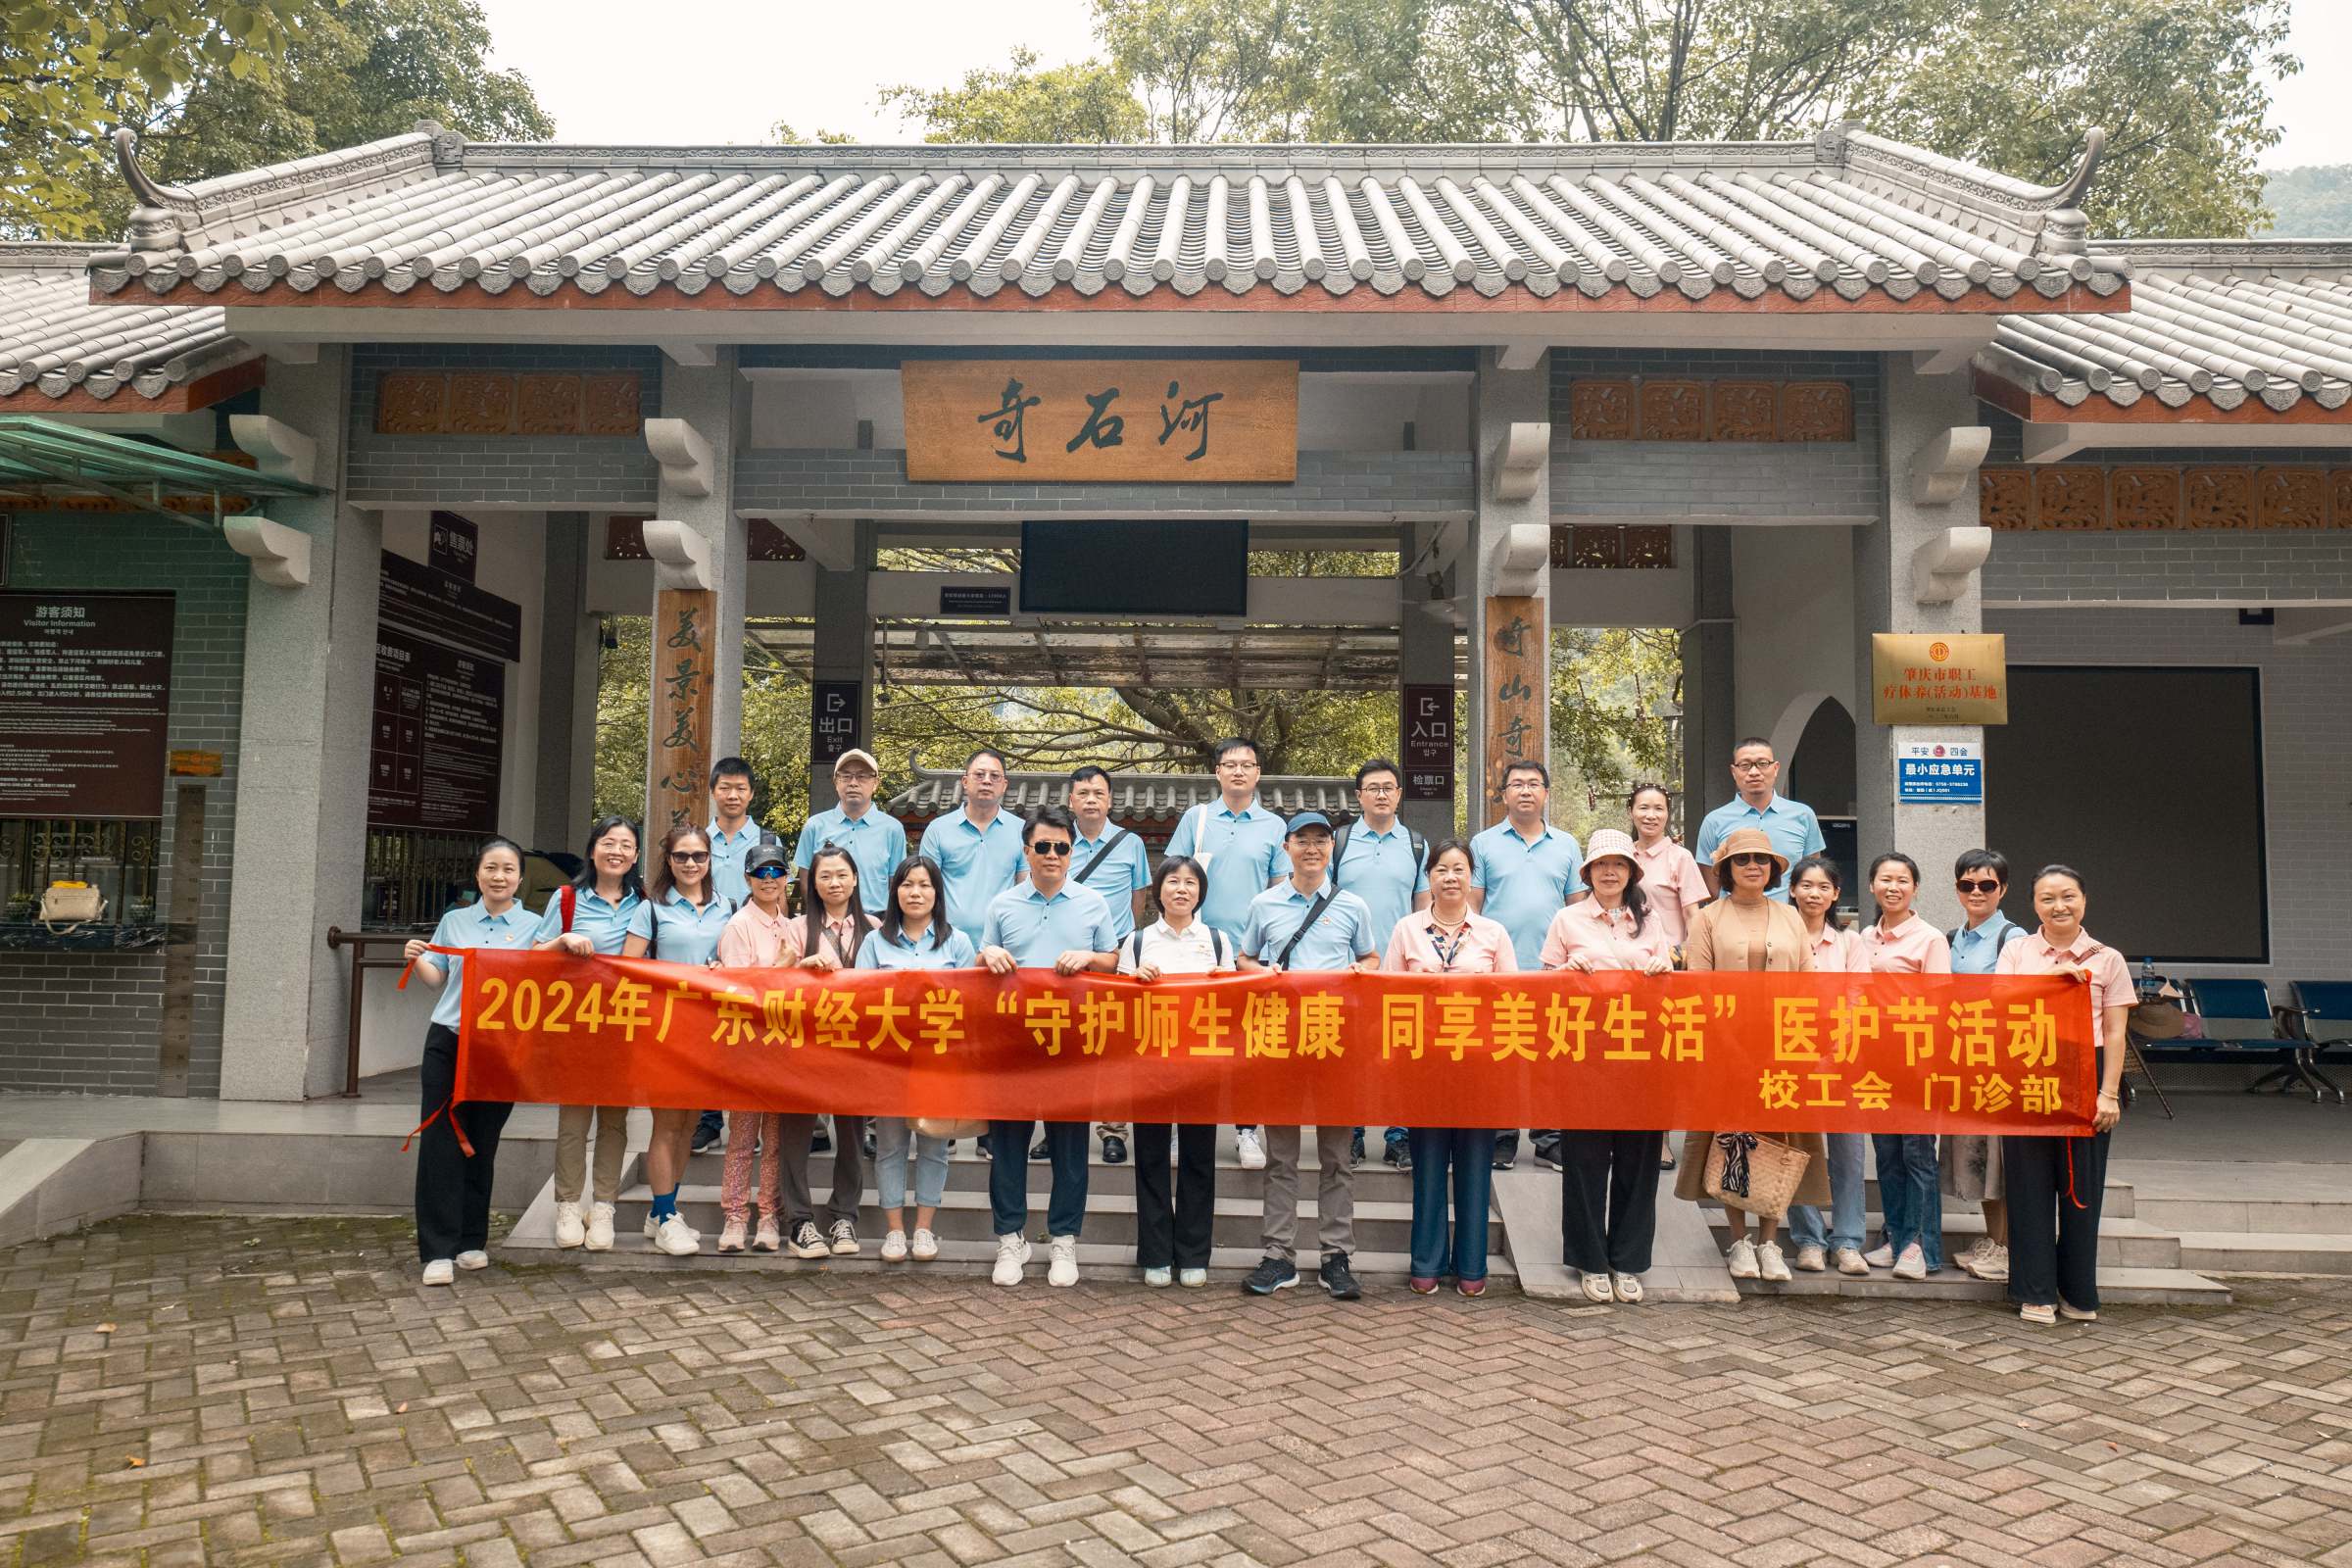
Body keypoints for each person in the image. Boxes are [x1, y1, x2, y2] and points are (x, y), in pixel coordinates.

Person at [1675, 827, 1830, 1283]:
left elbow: (1808, 985)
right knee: (1733, 1139)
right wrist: (1729, 1045)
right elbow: (1700, 987)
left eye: (1761, 859)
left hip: (1782, 1048)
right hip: (1727, 1051)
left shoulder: (1790, 916)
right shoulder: (1708, 918)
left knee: (1778, 1141)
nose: (1753, 866)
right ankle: (1739, 1240)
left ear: (1773, 869)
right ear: (1726, 869)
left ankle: (1770, 1242)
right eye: (1742, 860)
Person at [1237, 811, 1380, 1301]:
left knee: (1337, 1157)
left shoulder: (1352, 905)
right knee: (1281, 1156)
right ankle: (1278, 1255)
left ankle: (1336, 1256)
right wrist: (1261, 973)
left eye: (1321, 840)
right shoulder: (1264, 904)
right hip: (1281, 1043)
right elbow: (1244, 957)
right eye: (1303, 840)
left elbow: (1371, 957)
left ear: (1331, 848)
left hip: (1334, 1044)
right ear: (1287, 847)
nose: (1313, 848)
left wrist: (1360, 971)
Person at [978, 808, 1119, 1287]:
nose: (1052, 855)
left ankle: (1064, 1239)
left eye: (1061, 847)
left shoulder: (1093, 903)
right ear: (1027, 851)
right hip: (1012, 1044)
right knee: (1008, 1147)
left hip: (1072, 1044)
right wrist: (987, 953)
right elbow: (982, 960)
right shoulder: (1002, 905)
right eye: (1043, 846)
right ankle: (1010, 1238)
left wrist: (1090, 956)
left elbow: (1113, 960)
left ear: (1071, 852)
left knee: (1070, 1148)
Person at [1538, 829, 1673, 1304]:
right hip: (1585, 1053)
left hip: (1641, 1054)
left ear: (1631, 872)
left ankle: (1628, 1261)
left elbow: (1668, 980)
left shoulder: (1650, 919)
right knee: (1585, 1160)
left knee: (1639, 1159)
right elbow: (1544, 984)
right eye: (1600, 865)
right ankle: (1590, 1260)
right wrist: (1565, 974)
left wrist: (1663, 972)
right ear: (1588, 873)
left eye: (1618, 864)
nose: (1609, 872)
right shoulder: (1567, 918)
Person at [1996, 864, 2130, 1325]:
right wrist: (2051, 981)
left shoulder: (2108, 958)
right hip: (2027, 1075)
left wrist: (2109, 1093)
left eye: (2068, 896)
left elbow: (2116, 1032)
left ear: (2084, 901)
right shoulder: (2016, 951)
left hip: (2085, 1077)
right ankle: (2035, 1291)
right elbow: (1999, 1004)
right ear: (2034, 905)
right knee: (2028, 1188)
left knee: (2081, 1190)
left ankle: (2078, 1292)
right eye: (2048, 898)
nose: (2059, 906)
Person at [1385, 838, 1514, 1297]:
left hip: (1479, 1068)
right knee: (1428, 1166)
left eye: (1459, 869)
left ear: (1471, 877)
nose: (1451, 878)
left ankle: (1472, 1267)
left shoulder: (1493, 933)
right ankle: (1426, 1261)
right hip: (1425, 1067)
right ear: (1429, 878)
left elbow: (1512, 1001)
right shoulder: (1407, 929)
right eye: (1441, 869)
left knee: (1476, 1168)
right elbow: (1387, 995)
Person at [405, 836, 529, 1286]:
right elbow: (436, 978)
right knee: (440, 1141)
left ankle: (471, 1241)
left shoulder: (535, 927)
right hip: (450, 1039)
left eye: (508, 869)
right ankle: (437, 1250)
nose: (499, 877)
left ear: (520, 878)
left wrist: (568, 941)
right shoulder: (454, 921)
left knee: (483, 1140)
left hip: (499, 1048)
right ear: (478, 874)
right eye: (491, 868)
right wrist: (416, 958)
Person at [1163, 736, 1288, 1171]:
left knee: (1247, 1047)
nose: (1238, 771)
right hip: (1197, 950)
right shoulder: (1196, 819)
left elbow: (1279, 891)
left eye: (1247, 765)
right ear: (1217, 772)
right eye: (1230, 764)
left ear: (1258, 773)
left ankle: (1246, 1130)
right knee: (1189, 1043)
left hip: (1250, 954)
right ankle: (1182, 1127)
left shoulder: (1274, 826)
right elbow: (1173, 879)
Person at [617, 823, 737, 1257]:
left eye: (698, 856)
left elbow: (738, 962)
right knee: (666, 1125)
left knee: (689, 1125)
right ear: (668, 860)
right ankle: (667, 1216)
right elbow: (629, 968)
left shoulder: (728, 907)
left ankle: (661, 1210)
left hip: (710, 1034)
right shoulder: (650, 909)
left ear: (709, 859)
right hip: (665, 1033)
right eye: (681, 856)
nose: (690, 863)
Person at [1118, 855, 1235, 1288]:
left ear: (1201, 892)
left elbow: (1235, 1003)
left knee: (1198, 1159)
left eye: (1190, 882)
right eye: (1173, 881)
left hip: (1201, 1065)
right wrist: (1135, 980)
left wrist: (1224, 981)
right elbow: (1119, 1007)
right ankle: (1154, 1255)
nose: (1181, 889)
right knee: (1150, 1157)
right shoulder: (1137, 942)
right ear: (1158, 890)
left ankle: (1193, 1254)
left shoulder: (1218, 940)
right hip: (1149, 1064)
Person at [531, 815, 645, 1253]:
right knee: (574, 1121)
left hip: (624, 1025)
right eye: (608, 842)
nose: (617, 851)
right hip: (576, 1024)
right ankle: (566, 1204)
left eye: (626, 845)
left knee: (615, 1122)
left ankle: (603, 1206)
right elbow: (534, 956)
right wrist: (562, 942)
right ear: (593, 849)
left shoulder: (644, 901)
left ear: (635, 856)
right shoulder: (565, 899)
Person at [857, 855, 977, 1264]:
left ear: (937, 893)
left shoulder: (957, 943)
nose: (915, 893)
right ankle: (894, 1231)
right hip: (890, 1062)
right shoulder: (875, 943)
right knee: (890, 1146)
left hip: (938, 1064)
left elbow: (969, 1006)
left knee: (933, 1147)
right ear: (895, 892)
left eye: (925, 885)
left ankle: (924, 1228)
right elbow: (861, 1001)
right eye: (907, 885)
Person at [1469, 760, 1581, 1171]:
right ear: (1503, 794)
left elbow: (1576, 908)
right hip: (1499, 970)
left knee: (1550, 1057)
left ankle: (1548, 1140)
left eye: (1534, 784)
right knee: (1501, 1055)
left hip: (1552, 971)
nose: (1526, 790)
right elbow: (1474, 906)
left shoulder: (1566, 845)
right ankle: (1502, 1137)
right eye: (1517, 784)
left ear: (1546, 793)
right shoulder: (1483, 843)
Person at [771, 844, 879, 1259]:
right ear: (812, 884)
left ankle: (844, 1215)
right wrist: (801, 968)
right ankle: (799, 1220)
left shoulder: (874, 928)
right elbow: (773, 983)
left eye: (841, 875)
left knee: (852, 1135)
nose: (834, 883)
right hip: (803, 1047)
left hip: (856, 1049)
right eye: (825, 876)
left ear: (855, 880)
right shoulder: (796, 929)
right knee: (796, 1133)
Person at [1333, 758, 1431, 1171]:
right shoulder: (1338, 841)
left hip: (1399, 969)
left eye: (1388, 787)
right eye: (1372, 788)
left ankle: (1399, 1137)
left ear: (1399, 794)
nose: (1381, 794)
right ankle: (1352, 1135)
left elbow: (1423, 907)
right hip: (1350, 969)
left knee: (1400, 1056)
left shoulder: (1416, 844)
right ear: (1359, 796)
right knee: (1351, 1056)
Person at [1859, 851, 1951, 1283]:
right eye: (1885, 879)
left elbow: (1940, 1003)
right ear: (1872, 885)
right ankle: (1895, 1237)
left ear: (1914, 888)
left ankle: (1922, 1246)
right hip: (1875, 1061)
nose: (1892, 887)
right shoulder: (1864, 937)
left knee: (1918, 1155)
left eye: (1902, 880)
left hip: (1916, 1060)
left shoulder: (1929, 939)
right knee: (1888, 1156)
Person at [1784, 853, 1871, 1277]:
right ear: (1792, 890)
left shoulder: (1851, 944)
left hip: (1843, 1060)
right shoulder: (1781, 940)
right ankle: (1808, 1240)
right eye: (1806, 885)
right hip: (1790, 1055)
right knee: (1799, 1148)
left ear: (1836, 894)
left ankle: (1849, 1241)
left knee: (1848, 1153)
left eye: (1823, 887)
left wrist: (1834, 1053)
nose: (1813, 894)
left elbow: (1859, 999)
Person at [1944, 849, 2026, 1285]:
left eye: (1987, 885)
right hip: (1963, 1063)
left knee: (2001, 1160)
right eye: (1967, 884)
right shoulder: (1952, 938)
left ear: (2003, 889)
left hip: (1999, 1066)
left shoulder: (2013, 938)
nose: (1976, 892)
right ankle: (1994, 1241)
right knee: (1977, 1158)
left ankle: (2010, 1249)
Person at [712, 837, 795, 1253]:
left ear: (786, 878)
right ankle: (734, 1217)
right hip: (747, 1049)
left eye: (777, 871)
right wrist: (780, 969)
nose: (769, 879)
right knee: (743, 1139)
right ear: (747, 878)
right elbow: (738, 991)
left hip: (783, 1050)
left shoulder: (791, 925)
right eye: (761, 872)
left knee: (776, 1142)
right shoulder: (738, 925)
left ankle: (768, 1216)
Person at [1067, 764, 1151, 1166]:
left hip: (1113, 958)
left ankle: (1113, 1130)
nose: (1090, 800)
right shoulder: (1058, 841)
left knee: (1113, 1047)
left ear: (1110, 799)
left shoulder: (1130, 843)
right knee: (1064, 1045)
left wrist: (1125, 947)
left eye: (1098, 793)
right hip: (1065, 957)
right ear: (1070, 800)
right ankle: (1061, 1126)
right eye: (1083, 793)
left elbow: (1139, 899)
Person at [692, 758, 760, 1154]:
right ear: (713, 791)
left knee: (748, 1037)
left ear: (751, 794)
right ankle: (708, 1121)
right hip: (705, 947)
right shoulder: (697, 842)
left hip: (752, 951)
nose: (733, 795)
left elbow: (778, 895)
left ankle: (746, 1124)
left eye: (740, 788)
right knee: (709, 1035)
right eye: (725, 788)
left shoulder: (766, 840)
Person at [914, 747, 1027, 953]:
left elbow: (1025, 890)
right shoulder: (938, 829)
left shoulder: (1022, 831)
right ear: (965, 782)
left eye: (995, 776)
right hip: (946, 944)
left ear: (1004, 785)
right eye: (979, 774)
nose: (987, 781)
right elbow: (925, 888)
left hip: (1002, 946)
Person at [1693, 738, 1826, 901]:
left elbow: (1812, 873)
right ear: (1734, 772)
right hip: (1732, 914)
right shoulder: (1714, 821)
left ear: (1775, 768)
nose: (1754, 772)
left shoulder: (1803, 815)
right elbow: (1711, 883)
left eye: (1762, 764)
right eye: (1745, 765)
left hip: (1787, 914)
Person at [794, 748, 906, 916]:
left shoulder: (892, 829)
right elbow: (805, 880)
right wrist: (819, 920)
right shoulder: (815, 826)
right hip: (826, 921)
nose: (853, 783)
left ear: (876, 783)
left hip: (875, 921)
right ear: (835, 782)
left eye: (862, 776)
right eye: (846, 776)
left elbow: (896, 882)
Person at [1626, 782, 1707, 950]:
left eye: (1659, 808)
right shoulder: (1623, 855)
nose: (1651, 815)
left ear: (1667, 814)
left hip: (1669, 956)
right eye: (1643, 808)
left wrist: (1688, 952)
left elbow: (1692, 915)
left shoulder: (1681, 857)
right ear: (1630, 812)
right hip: (1626, 956)